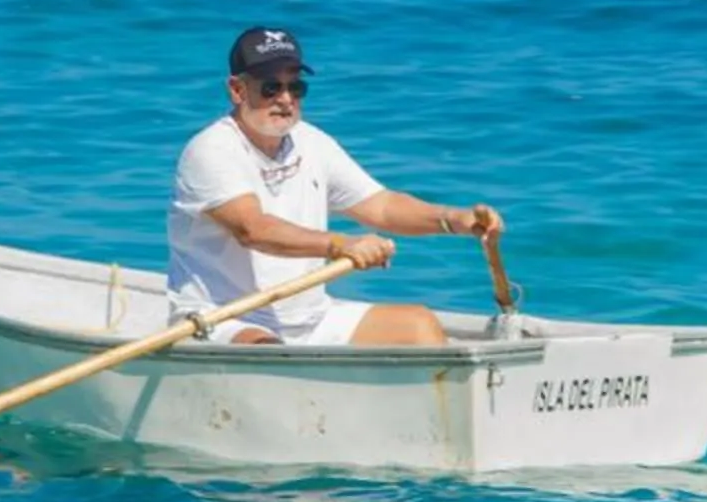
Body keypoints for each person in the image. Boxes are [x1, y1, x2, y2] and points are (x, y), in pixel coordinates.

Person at [167, 26, 504, 347]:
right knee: (270, 350)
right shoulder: (210, 151)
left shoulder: (311, 142)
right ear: (237, 90)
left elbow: (381, 206)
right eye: (271, 88)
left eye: (295, 88)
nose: (285, 99)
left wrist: (454, 219)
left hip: (312, 319)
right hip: (225, 318)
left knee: (419, 325)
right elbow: (253, 230)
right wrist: (340, 244)